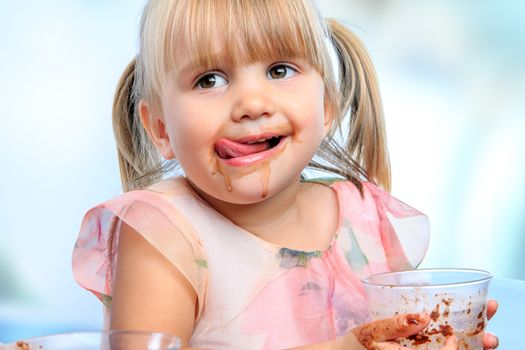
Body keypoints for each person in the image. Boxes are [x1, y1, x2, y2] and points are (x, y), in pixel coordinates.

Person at [72, 0, 498, 349]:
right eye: (209, 80)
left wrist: (433, 337)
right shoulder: (164, 235)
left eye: (280, 71)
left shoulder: (364, 219)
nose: (252, 103)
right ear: (160, 128)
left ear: (327, 105)